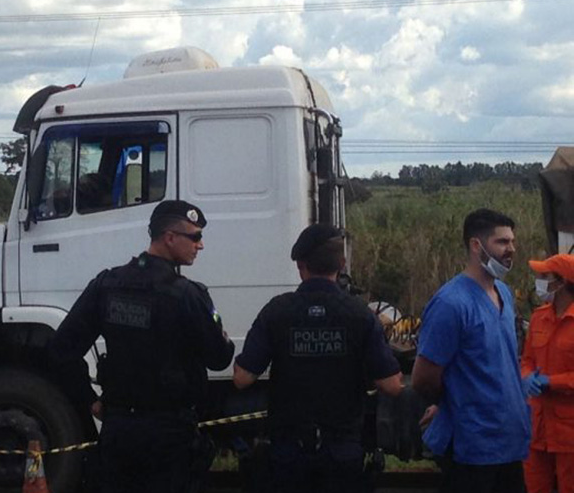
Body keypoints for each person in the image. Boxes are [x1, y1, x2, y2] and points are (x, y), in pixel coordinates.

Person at [49, 200, 235, 493]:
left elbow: (61, 350)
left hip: (119, 428)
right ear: (170, 237)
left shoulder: (107, 285)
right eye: (195, 237)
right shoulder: (188, 295)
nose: (200, 246)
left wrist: (89, 400)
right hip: (170, 431)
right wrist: (222, 337)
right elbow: (219, 358)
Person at [232, 224, 403, 493]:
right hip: (342, 451)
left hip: (288, 451)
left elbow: (242, 378)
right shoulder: (360, 315)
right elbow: (392, 385)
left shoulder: (277, 311)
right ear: (342, 264)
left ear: (301, 265)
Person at [412, 208, 530, 493]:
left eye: (512, 242)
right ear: (477, 246)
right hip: (473, 446)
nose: (511, 249)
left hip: (509, 442)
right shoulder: (451, 304)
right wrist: (451, 400)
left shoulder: (503, 293)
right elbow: (423, 378)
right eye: (502, 242)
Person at [520, 253, 574, 493]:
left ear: (561, 282)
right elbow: (527, 359)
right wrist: (527, 377)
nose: (538, 281)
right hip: (537, 428)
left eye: (544, 276)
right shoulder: (539, 317)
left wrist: (552, 382)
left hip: (569, 432)